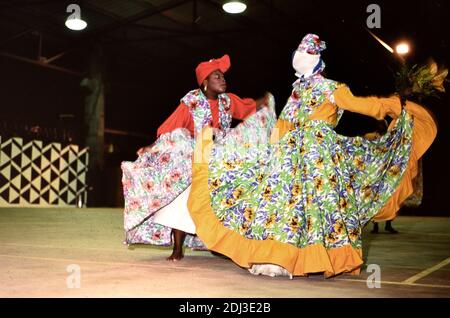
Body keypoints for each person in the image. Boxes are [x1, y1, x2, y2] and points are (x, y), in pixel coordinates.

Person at [187, 34, 438, 278]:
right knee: (322, 206)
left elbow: (282, 126)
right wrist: (395, 105)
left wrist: (271, 153)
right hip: (319, 156)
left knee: (288, 207)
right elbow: (367, 107)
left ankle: (281, 259)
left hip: (293, 155)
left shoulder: (299, 92)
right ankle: (313, 258)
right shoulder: (330, 89)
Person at [121, 54, 277, 261]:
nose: (222, 79)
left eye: (222, 76)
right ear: (205, 82)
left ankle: (219, 243)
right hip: (195, 155)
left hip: (219, 155)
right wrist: (151, 147)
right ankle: (178, 248)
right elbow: (171, 128)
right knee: (183, 197)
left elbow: (248, 108)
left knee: (225, 196)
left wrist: (264, 100)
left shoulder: (227, 102)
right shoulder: (192, 102)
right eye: (217, 76)